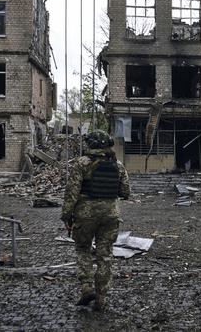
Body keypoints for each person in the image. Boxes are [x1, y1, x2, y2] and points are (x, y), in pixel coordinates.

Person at [61, 130, 130, 311]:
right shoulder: (118, 165)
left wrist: (66, 215)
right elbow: (125, 192)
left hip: (85, 215)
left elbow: (71, 193)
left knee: (83, 249)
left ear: (90, 145)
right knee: (105, 255)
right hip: (110, 216)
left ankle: (86, 288)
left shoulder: (81, 163)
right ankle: (101, 298)